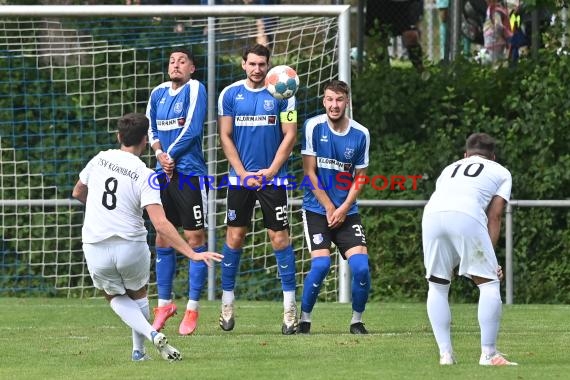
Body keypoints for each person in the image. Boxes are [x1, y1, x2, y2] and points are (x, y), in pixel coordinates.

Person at [72, 113, 222, 362]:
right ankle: (142, 347)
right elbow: (160, 223)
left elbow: (78, 191)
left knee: (112, 296)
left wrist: (99, 209)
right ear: (145, 140)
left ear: (119, 136)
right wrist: (192, 253)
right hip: (130, 245)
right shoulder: (145, 173)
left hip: (95, 245)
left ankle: (146, 344)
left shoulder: (99, 159)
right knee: (138, 293)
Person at [217, 44, 298, 335]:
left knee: (279, 239)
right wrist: (241, 172)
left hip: (273, 180)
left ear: (269, 65)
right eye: (252, 63)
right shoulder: (229, 94)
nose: (257, 69)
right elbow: (225, 136)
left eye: (262, 64)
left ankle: (290, 308)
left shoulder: (284, 93)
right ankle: (227, 303)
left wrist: (271, 171)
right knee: (235, 237)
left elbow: (289, 136)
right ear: (243, 64)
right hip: (240, 180)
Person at [422, 132, 517, 366]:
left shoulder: (448, 169)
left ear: (465, 155)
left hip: (431, 214)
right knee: (489, 283)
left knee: (437, 284)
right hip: (466, 214)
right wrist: (491, 262)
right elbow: (494, 216)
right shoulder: (500, 171)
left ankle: (445, 354)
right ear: (492, 157)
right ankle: (489, 354)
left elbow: (447, 209)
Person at [297, 80, 371, 335]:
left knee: (361, 267)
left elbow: (360, 177)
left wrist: (343, 208)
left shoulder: (361, 134)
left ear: (347, 101)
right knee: (320, 266)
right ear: (323, 101)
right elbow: (309, 173)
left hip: (347, 212)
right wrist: (330, 207)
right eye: (329, 99)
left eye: (339, 99)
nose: (334, 105)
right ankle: (304, 319)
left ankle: (356, 321)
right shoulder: (313, 127)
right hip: (317, 209)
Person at [146, 48, 209, 335]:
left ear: (192, 68)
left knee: (194, 237)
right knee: (162, 237)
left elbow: (194, 129)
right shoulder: (158, 93)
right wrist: (160, 154)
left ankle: (192, 308)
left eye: (182, 61)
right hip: (163, 173)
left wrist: (169, 155)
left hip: (189, 175)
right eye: (172, 61)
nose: (176, 65)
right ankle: (165, 304)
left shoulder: (196, 88)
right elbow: (151, 130)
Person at [365, 0, 424, 71]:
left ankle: (421, 72)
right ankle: (384, 72)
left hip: (405, 4)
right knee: (379, 38)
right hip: (380, 4)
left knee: (411, 35)